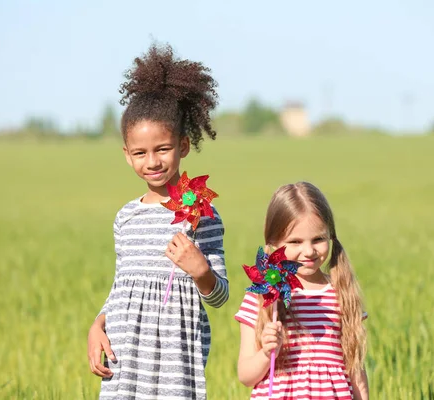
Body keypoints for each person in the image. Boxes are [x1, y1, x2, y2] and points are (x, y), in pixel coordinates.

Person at [87, 43, 228, 400]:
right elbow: (122, 287)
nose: (152, 161)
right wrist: (98, 323)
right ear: (126, 154)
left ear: (182, 145)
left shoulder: (202, 217)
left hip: (175, 364)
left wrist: (200, 271)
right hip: (125, 356)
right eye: (139, 153)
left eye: (162, 149)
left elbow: (220, 296)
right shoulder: (127, 217)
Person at [235, 182, 369, 399]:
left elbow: (356, 372)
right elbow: (245, 375)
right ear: (273, 244)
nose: (308, 251)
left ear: (331, 237)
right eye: (295, 241)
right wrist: (266, 353)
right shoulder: (261, 296)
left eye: (318, 239)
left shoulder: (342, 293)